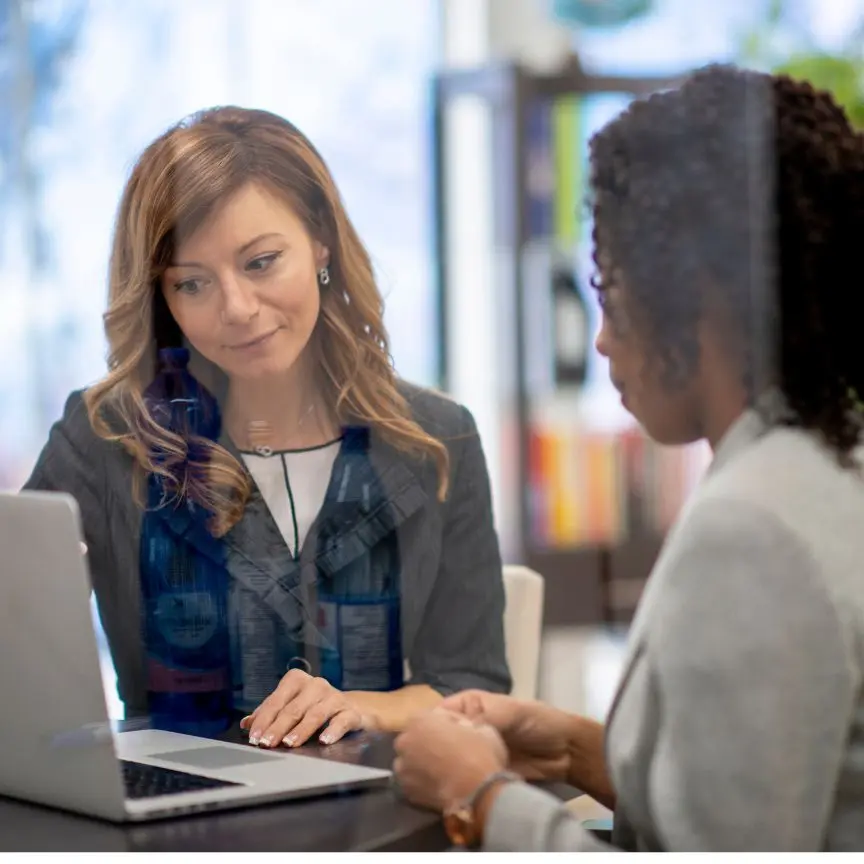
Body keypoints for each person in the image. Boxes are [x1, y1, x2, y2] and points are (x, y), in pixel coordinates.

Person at [392, 64, 864, 851]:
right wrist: (576, 748)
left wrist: (478, 794)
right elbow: (754, 794)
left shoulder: (753, 531)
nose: (602, 339)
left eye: (610, 292)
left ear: (698, 300)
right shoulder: (825, 465)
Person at [25, 106, 510, 747]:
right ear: (161, 299)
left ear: (320, 243)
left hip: (375, 800)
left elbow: (472, 687)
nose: (237, 308)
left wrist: (359, 707)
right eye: (192, 284)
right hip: (179, 803)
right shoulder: (105, 439)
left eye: (260, 262)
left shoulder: (436, 439)